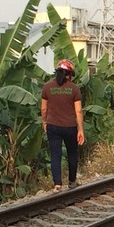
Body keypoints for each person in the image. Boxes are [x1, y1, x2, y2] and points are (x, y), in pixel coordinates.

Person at [41, 59, 85, 192]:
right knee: (72, 154)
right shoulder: (74, 89)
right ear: (70, 74)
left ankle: (57, 184)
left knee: (55, 155)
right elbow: (78, 111)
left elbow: (43, 109)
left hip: (52, 126)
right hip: (70, 127)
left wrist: (44, 121)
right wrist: (80, 130)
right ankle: (72, 182)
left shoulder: (47, 87)